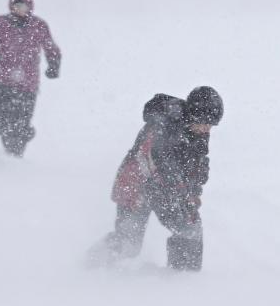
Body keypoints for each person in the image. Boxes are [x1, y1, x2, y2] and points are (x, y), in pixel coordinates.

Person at [88, 87, 223, 271]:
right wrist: (179, 189)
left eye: (211, 125)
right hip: (136, 185)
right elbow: (158, 157)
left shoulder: (198, 131)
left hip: (167, 191)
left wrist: (192, 192)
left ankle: (184, 279)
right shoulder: (165, 122)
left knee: (190, 229)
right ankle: (92, 264)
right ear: (193, 113)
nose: (206, 129)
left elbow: (195, 165)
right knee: (129, 243)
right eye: (204, 123)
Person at [0, 0, 61, 156]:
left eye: (24, 6)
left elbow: (51, 48)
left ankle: (16, 158)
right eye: (17, 6)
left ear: (30, 6)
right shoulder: (0, 24)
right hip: (1, 83)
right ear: (11, 6)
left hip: (27, 86)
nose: (20, 9)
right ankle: (7, 154)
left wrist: (54, 65)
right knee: (4, 122)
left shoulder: (38, 26)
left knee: (22, 124)